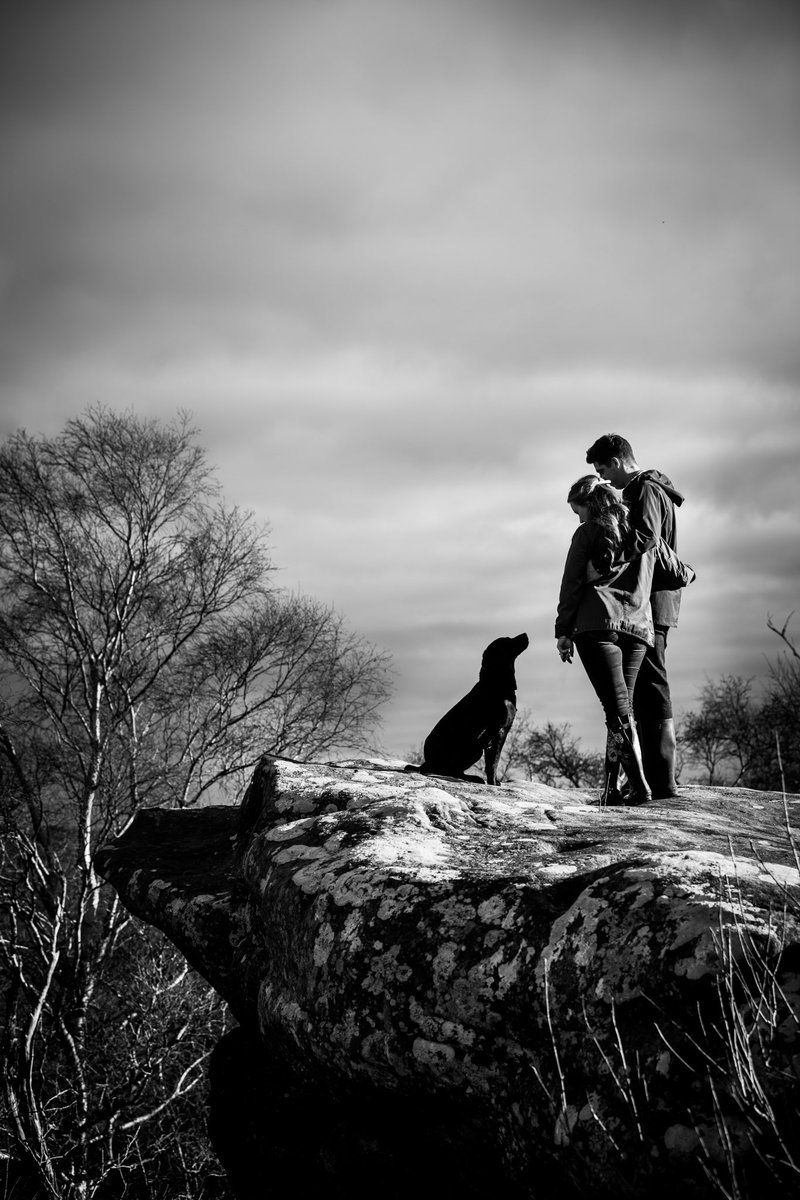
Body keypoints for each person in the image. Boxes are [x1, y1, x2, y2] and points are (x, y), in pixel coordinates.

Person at [555, 475, 693, 806]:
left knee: (616, 712)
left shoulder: (587, 533)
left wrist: (562, 631)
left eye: (578, 512)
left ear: (589, 506)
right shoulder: (644, 536)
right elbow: (678, 572)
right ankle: (611, 789)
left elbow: (571, 584)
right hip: (638, 629)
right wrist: (687, 573)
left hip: (597, 625)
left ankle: (640, 787)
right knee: (621, 711)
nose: (578, 519)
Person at [584, 433, 685, 799]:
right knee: (641, 688)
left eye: (604, 470)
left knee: (651, 684)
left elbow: (645, 537)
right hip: (647, 599)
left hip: (652, 599)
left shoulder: (646, 489)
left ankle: (661, 781)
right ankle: (648, 778)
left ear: (618, 460)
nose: (605, 479)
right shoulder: (645, 489)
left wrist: (606, 561)